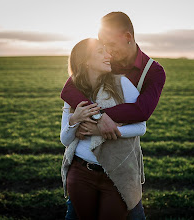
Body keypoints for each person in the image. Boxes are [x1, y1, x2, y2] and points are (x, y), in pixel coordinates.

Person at [60, 12, 166, 220]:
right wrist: (95, 116)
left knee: (133, 211)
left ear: (128, 37)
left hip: (122, 160)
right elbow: (69, 90)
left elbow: (141, 112)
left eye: (109, 44)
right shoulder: (107, 61)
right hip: (85, 168)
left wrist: (100, 122)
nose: (107, 52)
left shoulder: (153, 72)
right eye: (102, 47)